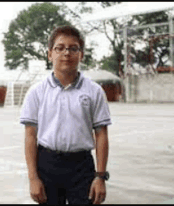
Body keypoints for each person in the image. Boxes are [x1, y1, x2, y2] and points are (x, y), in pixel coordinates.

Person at [20, 25, 112, 205]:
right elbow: (30, 136)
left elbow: (101, 135)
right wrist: (33, 178)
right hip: (47, 164)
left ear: (81, 54)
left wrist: (100, 177)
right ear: (49, 54)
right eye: (59, 48)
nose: (66, 53)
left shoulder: (94, 91)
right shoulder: (36, 92)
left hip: (82, 166)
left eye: (73, 48)